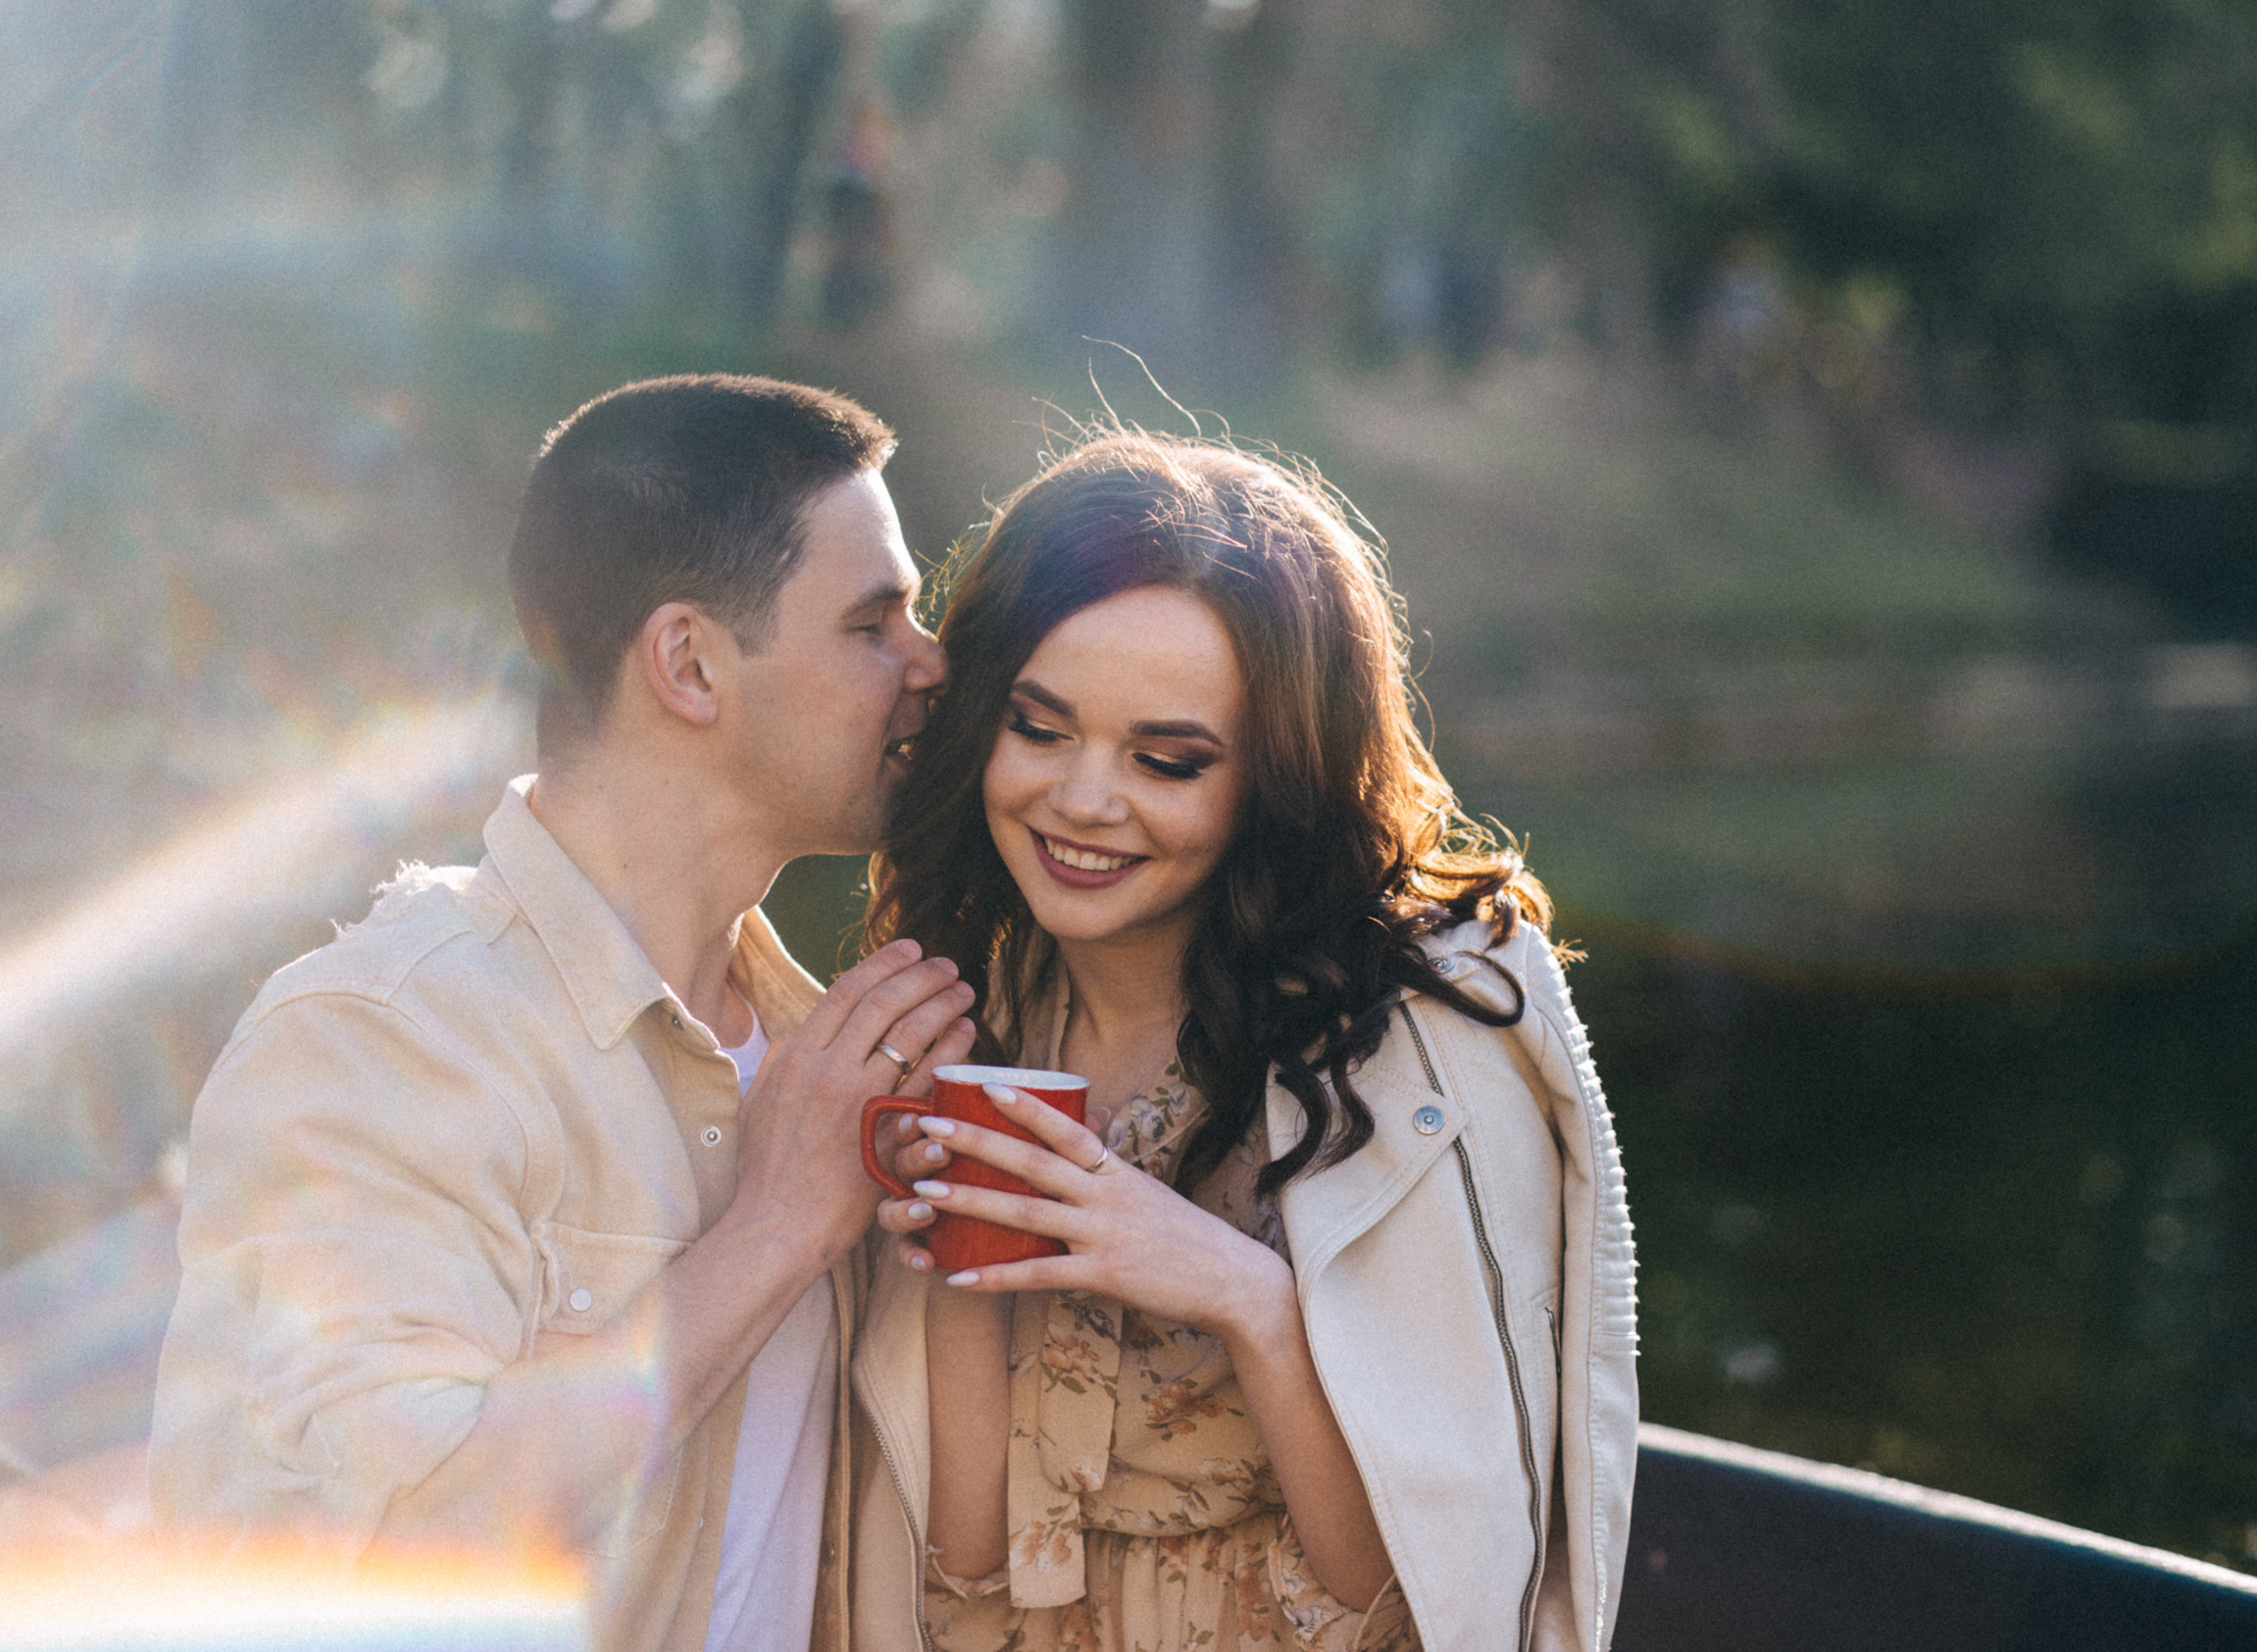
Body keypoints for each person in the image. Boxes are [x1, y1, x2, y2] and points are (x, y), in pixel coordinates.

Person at [149, 375, 983, 1652]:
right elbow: (385, 1562)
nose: (931, 665)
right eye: (877, 622)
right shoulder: (386, 1038)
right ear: (691, 664)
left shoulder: (826, 1058)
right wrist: (772, 1230)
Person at [847, 431, 1639, 1651]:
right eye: (1039, 727)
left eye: (1167, 759)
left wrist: (1247, 1300)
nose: (1083, 799)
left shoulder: (1416, 1027)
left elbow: (1425, 1590)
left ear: (1272, 775)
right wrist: (953, 1277)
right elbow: (961, 1574)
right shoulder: (973, 995)